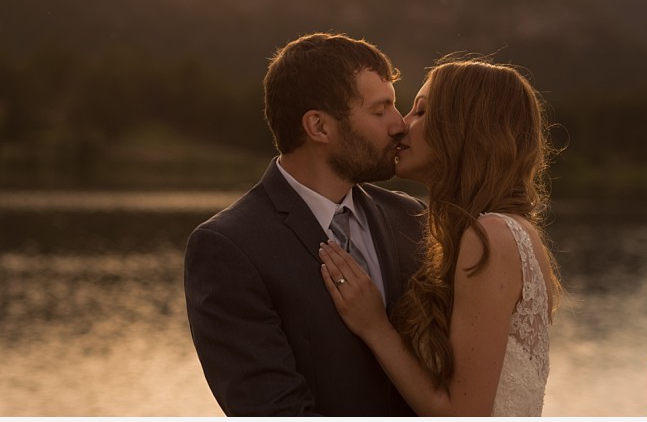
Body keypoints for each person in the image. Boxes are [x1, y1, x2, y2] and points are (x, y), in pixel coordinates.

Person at [184, 32, 426, 416]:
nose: (400, 125)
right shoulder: (229, 248)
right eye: (380, 111)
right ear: (319, 126)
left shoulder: (413, 218)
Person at [319, 58, 561, 416]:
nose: (402, 125)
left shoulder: (491, 237)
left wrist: (374, 326)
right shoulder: (507, 231)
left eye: (420, 112)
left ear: (462, 128)